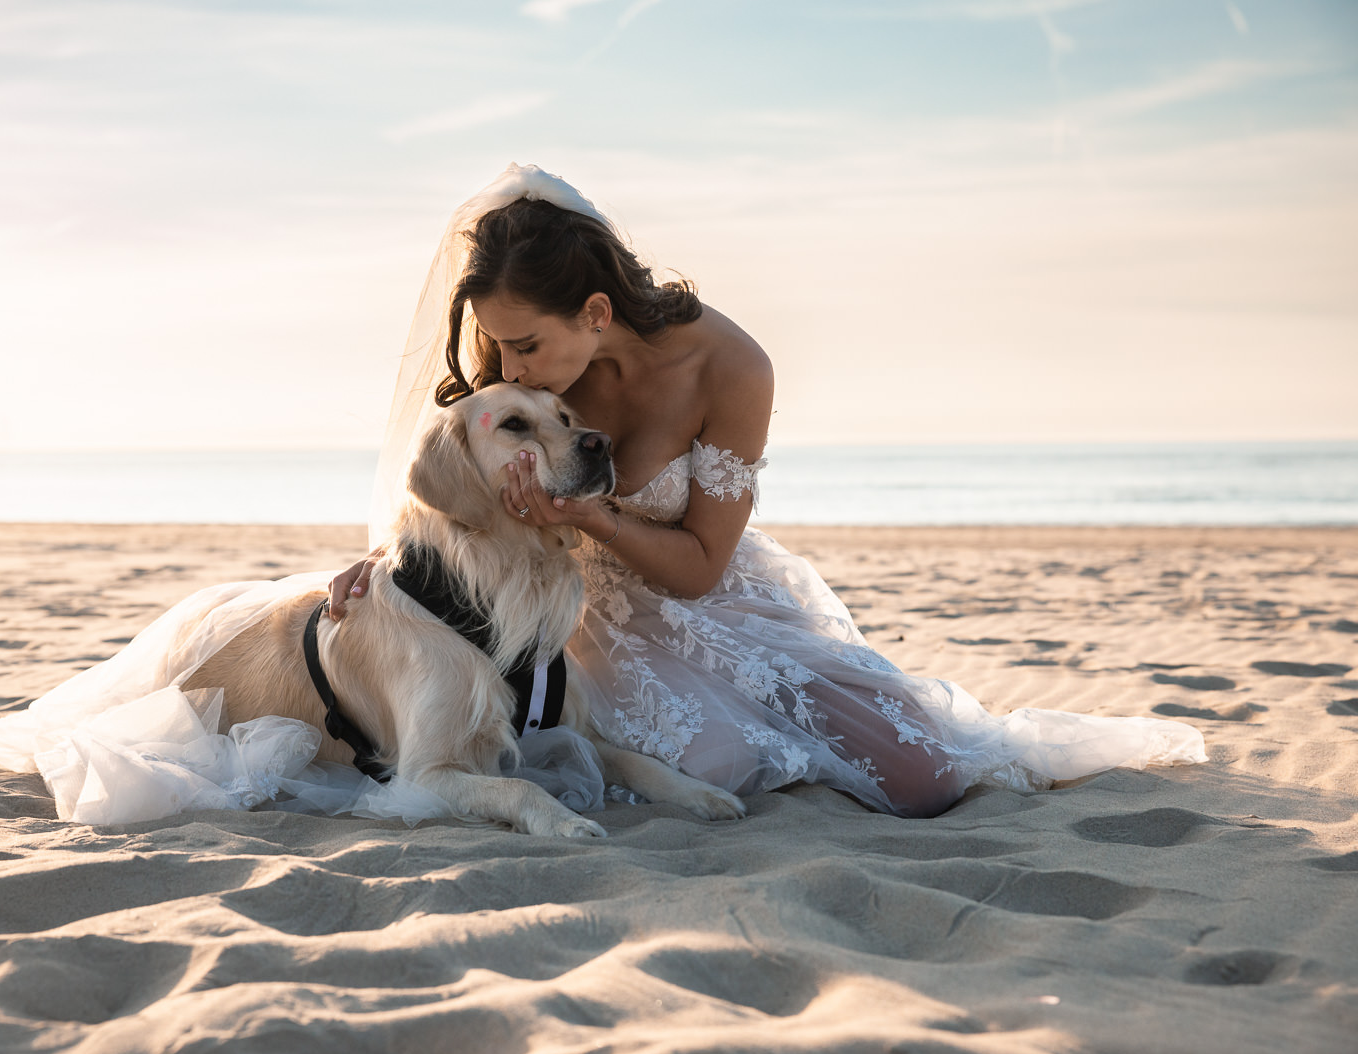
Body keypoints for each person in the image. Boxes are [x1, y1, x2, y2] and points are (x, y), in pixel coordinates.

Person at [332, 162, 1207, 818]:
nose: (508, 366)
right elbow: (462, 480)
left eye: (523, 346)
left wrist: (592, 511)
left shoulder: (732, 368)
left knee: (924, 774)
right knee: (708, 769)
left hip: (707, 594)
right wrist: (387, 565)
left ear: (595, 313)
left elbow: (704, 563)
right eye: (501, 348)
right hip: (577, 621)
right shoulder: (518, 372)